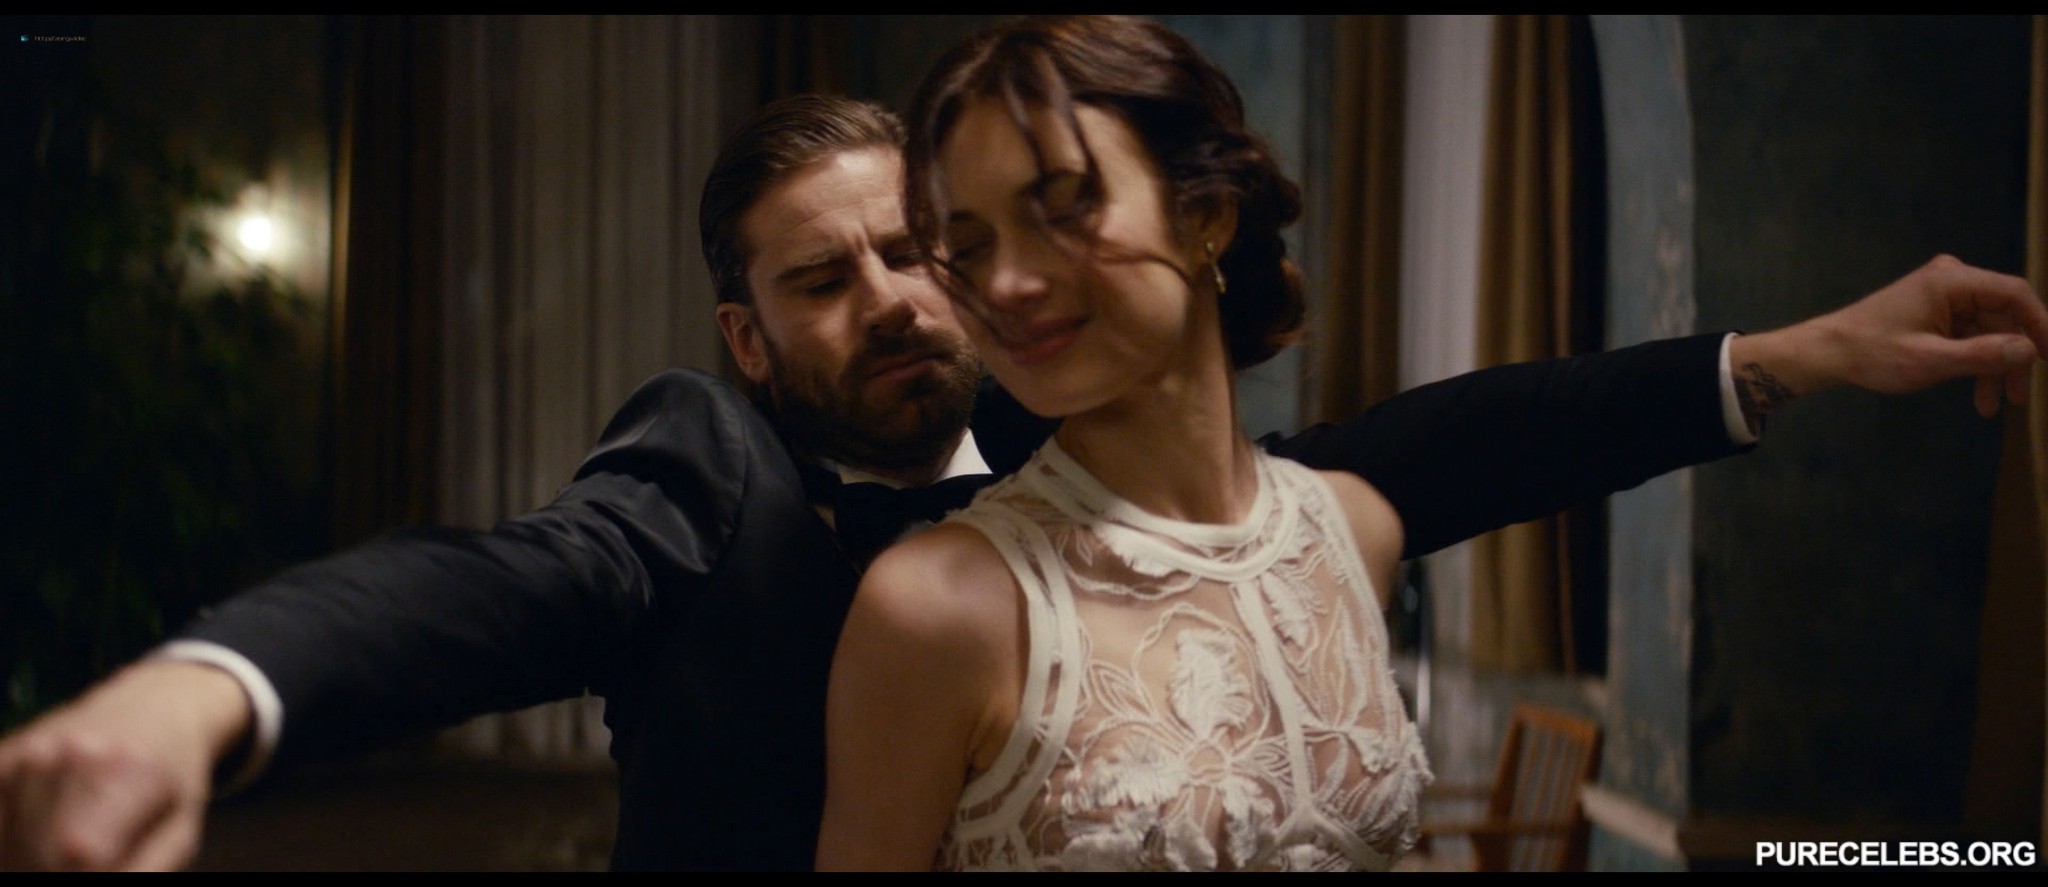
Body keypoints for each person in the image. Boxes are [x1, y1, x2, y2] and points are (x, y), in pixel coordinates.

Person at [1, 78, 2043, 872]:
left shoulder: (1110, 472)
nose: (902, 298)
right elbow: (504, 580)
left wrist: (1780, 357)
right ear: (748, 336)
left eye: (926, 250)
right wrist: (207, 689)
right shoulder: (709, 471)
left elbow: (1447, 444)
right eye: (826, 279)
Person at [811, 15, 2048, 872]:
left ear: (1203, 213)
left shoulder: (1351, 527)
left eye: (1064, 203)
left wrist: (1815, 348)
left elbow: (1512, 427)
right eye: (967, 245)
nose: (1006, 282)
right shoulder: (937, 606)